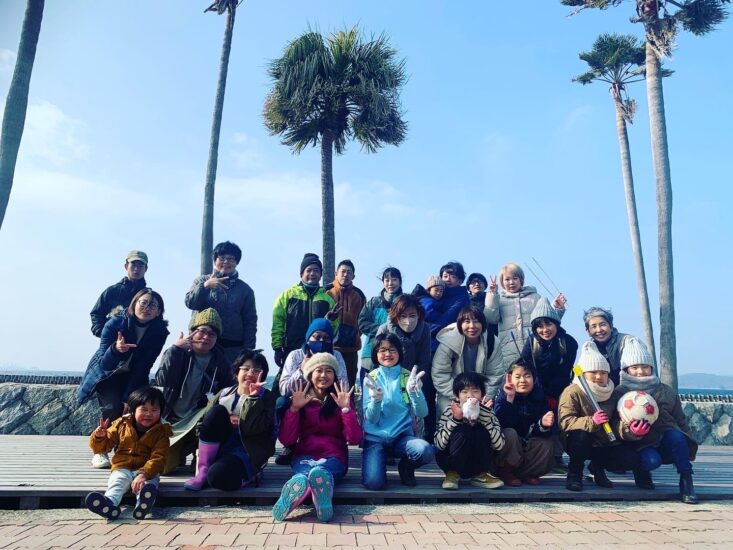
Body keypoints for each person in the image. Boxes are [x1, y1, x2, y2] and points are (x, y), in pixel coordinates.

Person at [78, 288, 169, 469]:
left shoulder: (159, 332)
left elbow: (145, 365)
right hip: (108, 375)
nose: (147, 307)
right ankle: (100, 451)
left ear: (159, 312)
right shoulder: (115, 324)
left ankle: (126, 450)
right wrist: (116, 350)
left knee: (134, 409)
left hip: (134, 376)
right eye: (143, 302)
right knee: (112, 407)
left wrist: (129, 396)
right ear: (133, 304)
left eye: (153, 305)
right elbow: (104, 363)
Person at [273, 353, 363, 522]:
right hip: (304, 456)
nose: (323, 375)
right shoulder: (301, 399)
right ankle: (299, 494)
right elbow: (287, 440)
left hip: (334, 457)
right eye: (318, 370)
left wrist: (346, 410)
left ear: (335, 375)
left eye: (329, 371)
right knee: (304, 475)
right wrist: (293, 409)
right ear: (310, 375)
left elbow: (355, 438)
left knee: (320, 472)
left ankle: (321, 496)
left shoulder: (340, 399)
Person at [616, 339, 699, 503]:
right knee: (651, 461)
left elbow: (681, 421)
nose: (640, 371)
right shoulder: (620, 392)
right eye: (634, 367)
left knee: (677, 436)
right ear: (626, 370)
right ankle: (641, 470)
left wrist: (689, 446)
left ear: (652, 368)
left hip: (666, 439)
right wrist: (629, 431)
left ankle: (686, 480)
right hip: (641, 443)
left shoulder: (666, 391)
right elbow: (613, 423)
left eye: (645, 366)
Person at [155, 308, 234, 474]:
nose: (205, 337)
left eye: (212, 334)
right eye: (202, 331)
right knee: (164, 468)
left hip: (199, 420)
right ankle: (181, 451)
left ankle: (198, 453)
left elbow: (229, 392)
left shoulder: (221, 361)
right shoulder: (176, 352)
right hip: (171, 419)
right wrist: (176, 350)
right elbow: (162, 380)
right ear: (192, 332)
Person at [184, 351, 276, 491]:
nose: (250, 373)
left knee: (216, 477)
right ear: (236, 372)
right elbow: (203, 423)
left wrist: (252, 399)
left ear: (263, 375)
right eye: (245, 368)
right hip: (218, 448)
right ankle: (202, 470)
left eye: (256, 370)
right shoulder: (224, 393)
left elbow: (254, 428)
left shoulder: (267, 398)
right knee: (217, 411)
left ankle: (250, 476)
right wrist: (224, 422)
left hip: (246, 452)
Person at [558, 341, 640, 492]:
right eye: (593, 372)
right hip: (578, 441)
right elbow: (565, 422)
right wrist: (591, 421)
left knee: (631, 458)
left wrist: (630, 430)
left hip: (605, 441)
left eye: (603, 372)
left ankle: (597, 467)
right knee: (581, 435)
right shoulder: (573, 391)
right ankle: (575, 474)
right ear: (583, 373)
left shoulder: (613, 392)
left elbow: (617, 421)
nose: (598, 376)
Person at [85, 386, 172, 520]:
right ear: (132, 410)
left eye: (154, 410)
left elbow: (158, 458)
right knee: (117, 483)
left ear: (161, 412)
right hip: (122, 466)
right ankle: (108, 504)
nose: (149, 414)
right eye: (144, 409)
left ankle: (143, 505)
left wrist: (143, 474)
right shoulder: (121, 424)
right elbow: (101, 448)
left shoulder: (162, 432)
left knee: (148, 486)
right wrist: (100, 437)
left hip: (147, 470)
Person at [361, 333, 434, 490]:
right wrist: (376, 400)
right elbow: (371, 419)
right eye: (383, 350)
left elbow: (422, 413)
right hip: (375, 439)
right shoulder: (370, 379)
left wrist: (415, 393)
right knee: (374, 483)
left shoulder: (408, 377)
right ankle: (377, 459)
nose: (388, 354)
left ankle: (406, 466)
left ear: (399, 352)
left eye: (392, 349)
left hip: (402, 438)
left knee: (425, 450)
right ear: (375, 353)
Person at [275, 318, 348, 465]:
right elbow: (283, 389)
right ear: (308, 338)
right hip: (300, 398)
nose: (321, 340)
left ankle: (334, 445)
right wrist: (302, 370)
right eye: (317, 336)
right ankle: (290, 446)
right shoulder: (295, 355)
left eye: (326, 338)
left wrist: (328, 371)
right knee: (281, 403)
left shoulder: (337, 355)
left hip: (326, 398)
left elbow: (343, 385)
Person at [271, 253, 338, 391]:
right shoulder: (287, 296)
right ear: (301, 274)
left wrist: (331, 321)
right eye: (309, 270)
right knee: (285, 391)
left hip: (319, 353)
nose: (312, 273)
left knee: (316, 388)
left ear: (320, 275)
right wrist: (278, 348)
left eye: (316, 271)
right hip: (292, 350)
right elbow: (278, 322)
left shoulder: (328, 299)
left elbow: (333, 330)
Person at [185, 241, 257, 364]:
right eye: (221, 258)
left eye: (230, 259)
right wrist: (205, 286)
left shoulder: (245, 290)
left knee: (228, 382)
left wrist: (248, 350)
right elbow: (190, 303)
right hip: (202, 342)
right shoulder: (201, 280)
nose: (225, 262)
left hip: (232, 348)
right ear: (214, 260)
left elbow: (250, 321)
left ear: (237, 262)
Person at [484, 262, 566, 369]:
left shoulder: (535, 297)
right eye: (507, 279)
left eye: (515, 278)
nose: (511, 282)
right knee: (514, 380)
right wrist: (492, 295)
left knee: (536, 379)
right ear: (502, 283)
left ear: (521, 280)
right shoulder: (498, 300)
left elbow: (548, 321)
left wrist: (556, 307)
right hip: (508, 350)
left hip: (535, 347)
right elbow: (491, 318)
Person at [376, 295, 434, 441]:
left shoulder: (425, 329)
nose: (408, 320)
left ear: (419, 315)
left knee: (415, 412)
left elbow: (425, 360)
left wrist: (417, 380)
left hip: (414, 378)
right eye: (403, 316)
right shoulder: (384, 329)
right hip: (389, 377)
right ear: (396, 316)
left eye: (412, 315)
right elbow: (378, 359)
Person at [435, 372, 504, 490]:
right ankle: (452, 474)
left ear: (482, 395)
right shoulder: (449, 411)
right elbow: (439, 444)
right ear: (457, 395)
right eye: (464, 391)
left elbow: (499, 445)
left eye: (475, 391)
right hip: (452, 460)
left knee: (480, 431)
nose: (470, 395)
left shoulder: (488, 413)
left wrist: (485, 420)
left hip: (476, 462)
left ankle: (479, 475)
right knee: (462, 431)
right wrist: (455, 420)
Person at [493, 359, 556, 486]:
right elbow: (500, 424)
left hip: (527, 445)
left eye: (527, 376)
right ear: (510, 378)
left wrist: (543, 425)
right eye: (518, 376)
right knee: (509, 433)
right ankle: (506, 471)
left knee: (546, 442)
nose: (523, 380)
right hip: (505, 452)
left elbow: (550, 429)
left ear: (534, 378)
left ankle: (528, 473)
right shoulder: (502, 395)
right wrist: (509, 398)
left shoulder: (541, 398)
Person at [432, 305, 504, 413]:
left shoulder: (492, 342)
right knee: (451, 426)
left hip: (480, 396)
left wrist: (482, 397)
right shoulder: (448, 342)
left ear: (483, 324)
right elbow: (440, 374)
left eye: (476, 321)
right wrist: (459, 397)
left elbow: (495, 375)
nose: (472, 326)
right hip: (451, 395)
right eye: (466, 321)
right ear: (460, 324)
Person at [520, 298, 578, 408]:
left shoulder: (569, 342)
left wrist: (551, 395)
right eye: (540, 326)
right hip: (535, 391)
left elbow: (564, 371)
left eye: (548, 324)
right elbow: (523, 365)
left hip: (561, 390)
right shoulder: (532, 341)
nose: (545, 330)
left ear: (556, 324)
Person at [325, 259, 367, 387]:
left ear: (353, 276)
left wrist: (354, 334)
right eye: (343, 271)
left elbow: (363, 320)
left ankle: (349, 407)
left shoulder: (359, 295)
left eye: (349, 272)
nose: (345, 275)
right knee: (327, 383)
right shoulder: (325, 292)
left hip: (351, 349)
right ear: (335, 273)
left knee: (349, 383)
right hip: (328, 348)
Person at [90, 250, 150, 338]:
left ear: (146, 269)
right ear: (126, 266)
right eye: (133, 264)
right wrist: (104, 333)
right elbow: (96, 314)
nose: (136, 269)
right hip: (111, 343)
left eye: (140, 265)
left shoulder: (149, 296)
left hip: (137, 345)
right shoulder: (112, 291)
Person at [358, 267, 403, 378]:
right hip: (370, 355)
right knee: (369, 393)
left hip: (397, 355)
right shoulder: (374, 302)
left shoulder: (405, 303)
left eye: (394, 279)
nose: (390, 283)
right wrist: (383, 330)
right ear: (383, 282)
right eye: (387, 280)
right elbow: (362, 322)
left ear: (400, 282)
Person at [583, 306, 646, 386]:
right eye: (594, 326)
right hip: (603, 391)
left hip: (629, 389)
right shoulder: (589, 348)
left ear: (611, 326)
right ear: (588, 331)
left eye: (602, 325)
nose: (599, 330)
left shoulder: (628, 342)